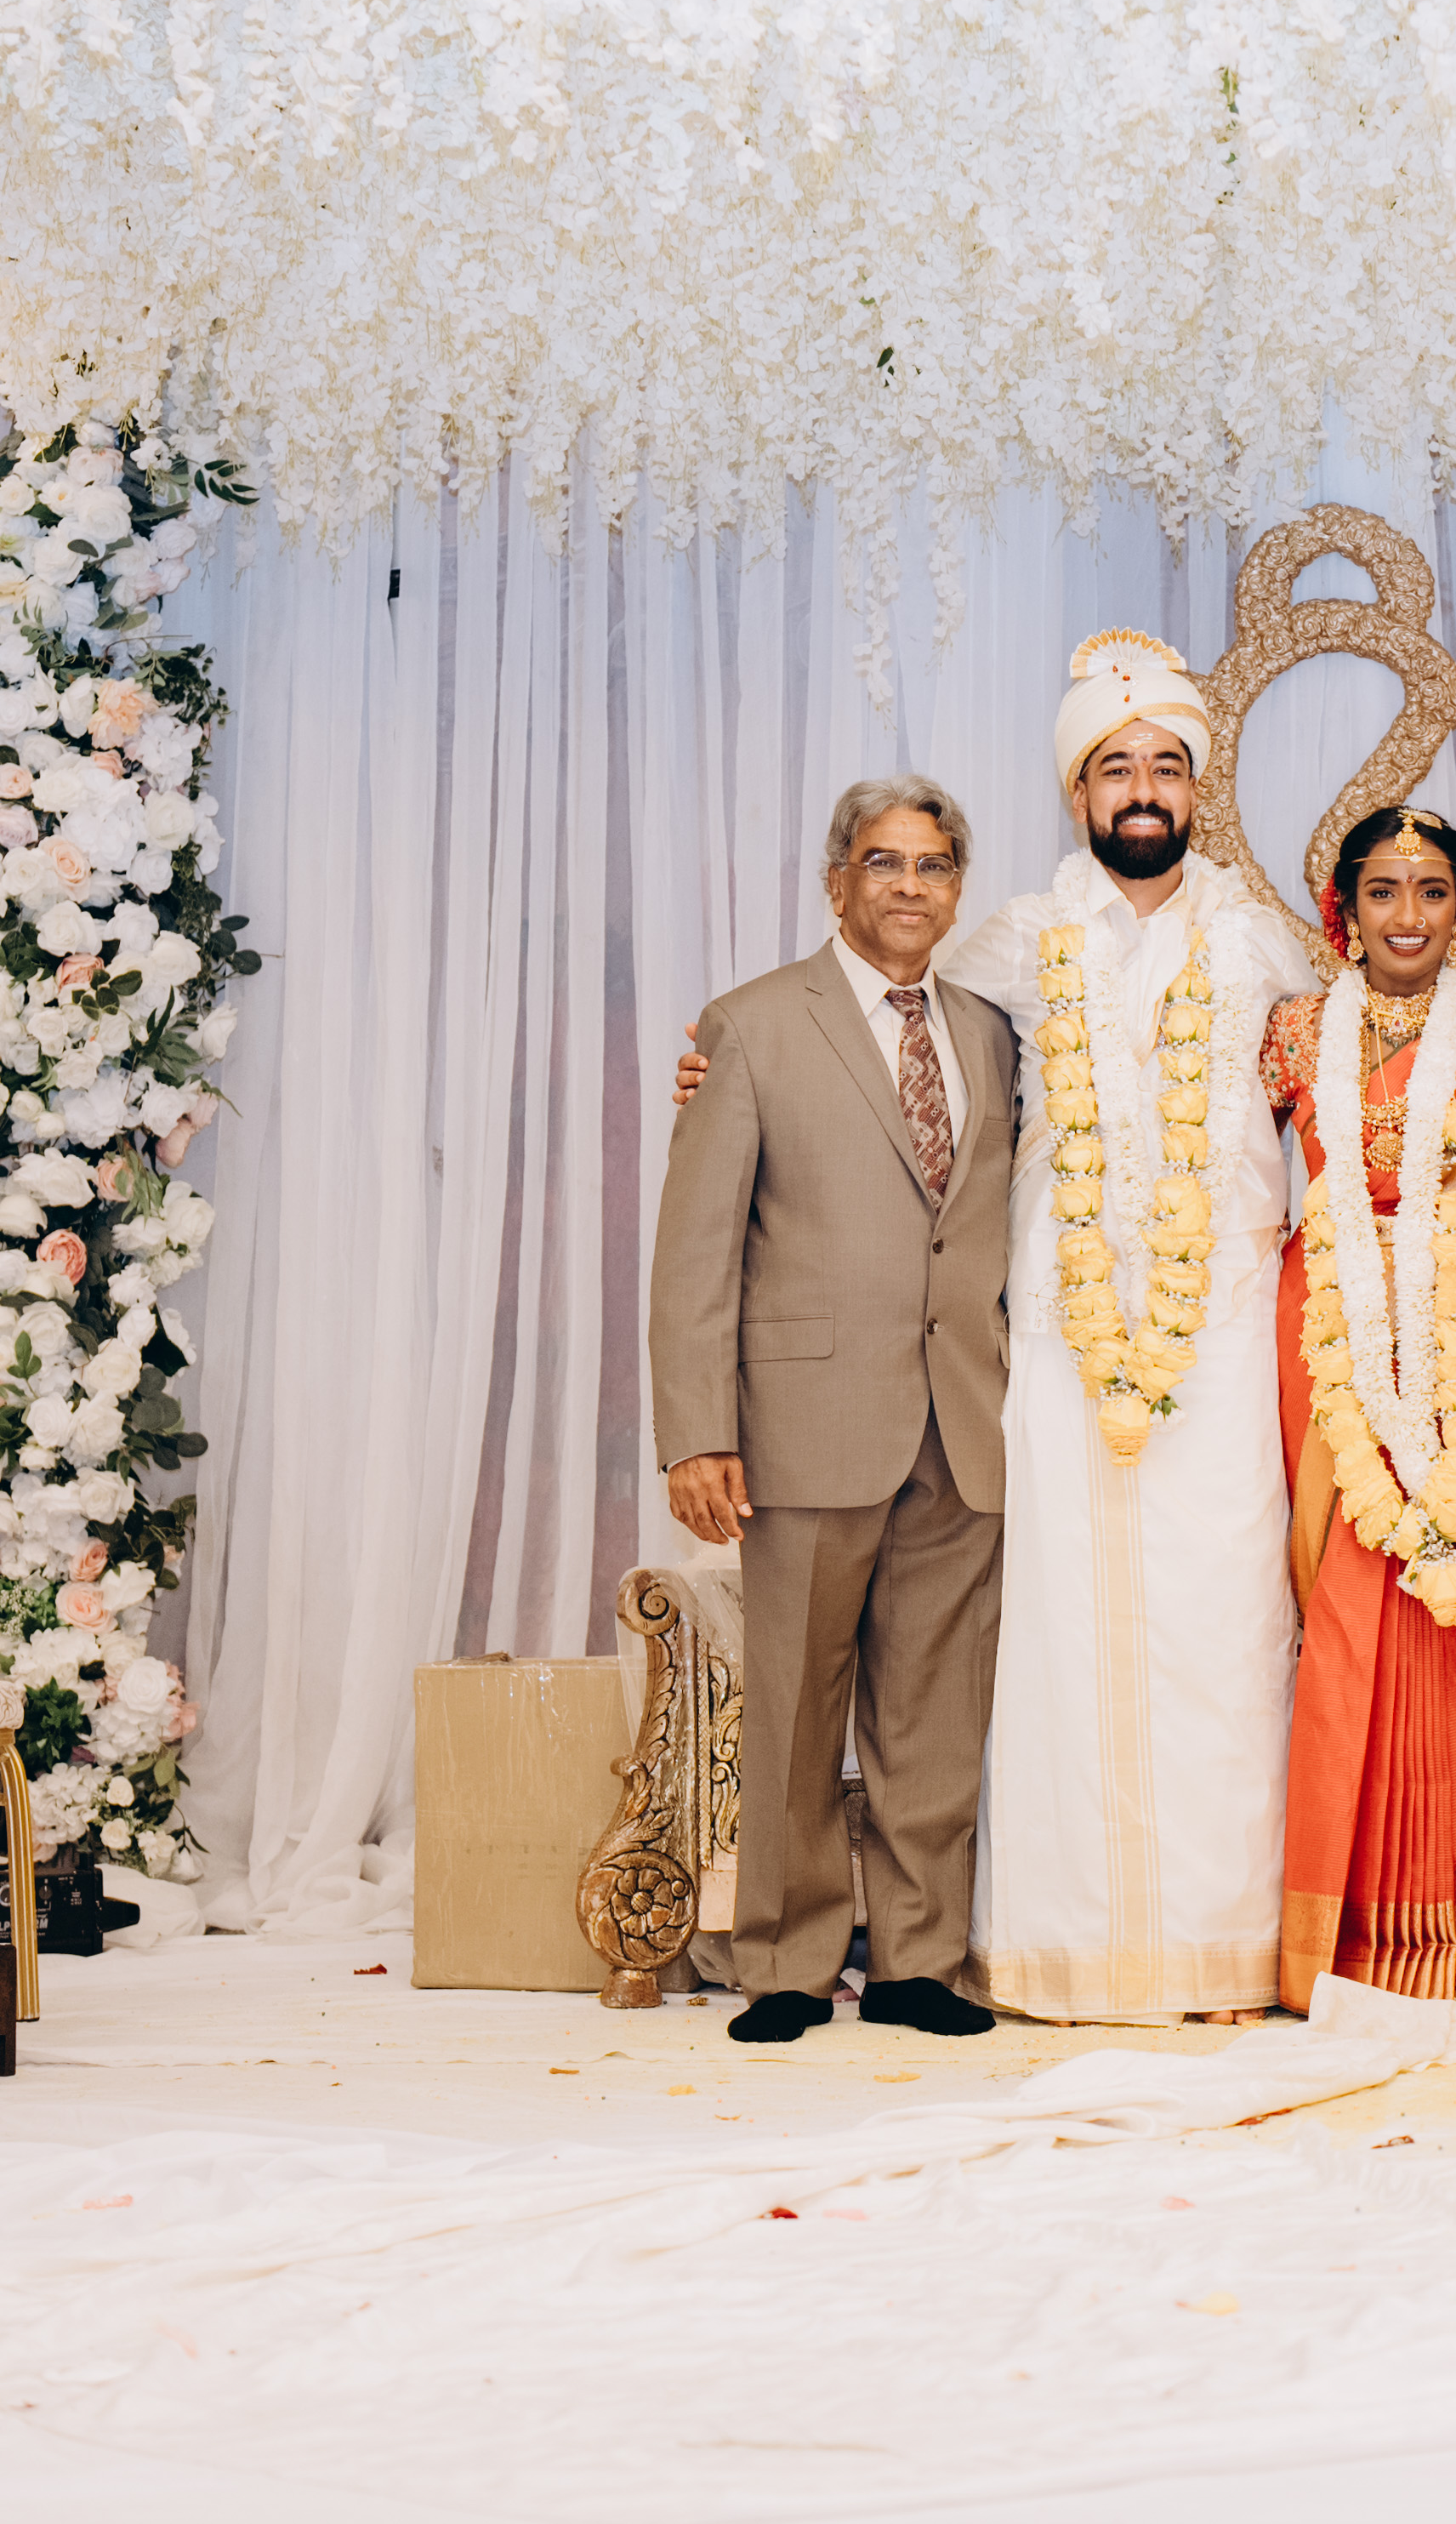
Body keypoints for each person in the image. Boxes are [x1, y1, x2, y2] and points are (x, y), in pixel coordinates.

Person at [926, 634, 1333, 2021]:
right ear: (1078, 791)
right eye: (1116, 766)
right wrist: (722, 1059)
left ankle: (1225, 1947)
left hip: (1224, 1336)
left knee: (1226, 1632)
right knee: (1065, 1636)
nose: (1144, 787)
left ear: (1198, 788)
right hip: (1060, 1334)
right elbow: (881, 1028)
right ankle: (1067, 1951)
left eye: (1167, 763)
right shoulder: (1009, 942)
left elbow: (1377, 1052)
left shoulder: (1265, 941)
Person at [645, 777, 1020, 2045]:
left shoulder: (991, 1033)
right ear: (836, 880)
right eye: (883, 862)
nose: (910, 885)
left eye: (933, 865)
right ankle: (791, 1963)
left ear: (957, 890)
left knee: (934, 1716)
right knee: (799, 1710)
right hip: (804, 1422)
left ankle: (918, 1962)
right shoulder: (750, 1025)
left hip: (961, 1421)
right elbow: (696, 1247)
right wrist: (699, 1431)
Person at [1265, 804, 1456, 2011]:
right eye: (1384, 889)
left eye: (1433, 891)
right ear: (1346, 908)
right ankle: (1340, 1934)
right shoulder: (1290, 1031)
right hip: (1326, 1324)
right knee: (1343, 1602)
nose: (1409, 915)